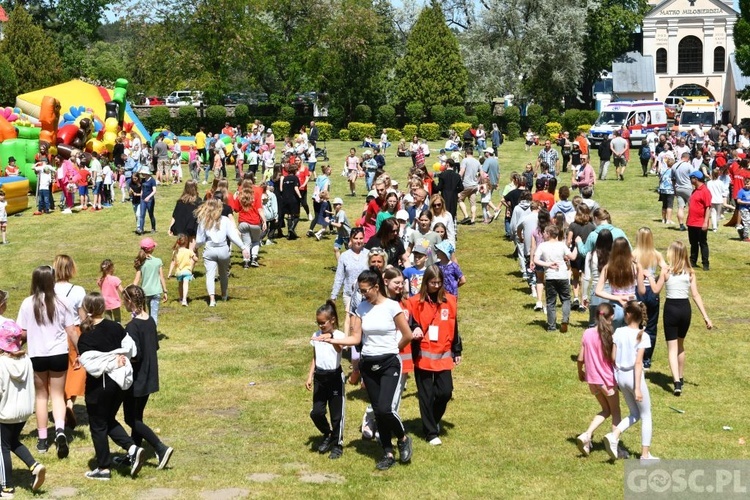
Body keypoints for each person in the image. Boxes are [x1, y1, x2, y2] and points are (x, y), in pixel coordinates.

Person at [316, 269, 414, 470]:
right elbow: (356, 338)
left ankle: (403, 438)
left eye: (365, 290)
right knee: (378, 411)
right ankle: (387, 452)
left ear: (376, 287)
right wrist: (333, 339)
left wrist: (394, 349)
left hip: (389, 364)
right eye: (360, 291)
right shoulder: (361, 308)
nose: (362, 294)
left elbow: (407, 334)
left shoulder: (392, 307)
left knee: (386, 408)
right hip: (369, 365)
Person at [77, 293, 145, 480]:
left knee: (98, 425)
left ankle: (103, 468)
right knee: (107, 419)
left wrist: (109, 361)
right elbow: (131, 349)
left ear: (87, 310)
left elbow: (91, 365)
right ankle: (132, 449)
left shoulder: (86, 336)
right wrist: (116, 357)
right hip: (119, 384)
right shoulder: (116, 327)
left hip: (101, 386)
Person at [16, 265, 78, 458]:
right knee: (58, 395)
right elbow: (71, 331)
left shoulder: (27, 303)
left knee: (41, 396)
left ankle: (42, 439)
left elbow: (22, 332)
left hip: (37, 355)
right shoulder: (63, 301)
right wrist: (80, 352)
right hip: (59, 354)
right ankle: (60, 430)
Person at [645, 241, 712, 396]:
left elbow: (655, 290)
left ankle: (676, 383)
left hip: (671, 310)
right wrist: (706, 317)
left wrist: (649, 277)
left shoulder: (666, 271)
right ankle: (680, 377)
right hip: (685, 310)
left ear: (671, 254)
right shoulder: (689, 272)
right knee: (680, 345)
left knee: (672, 348)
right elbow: (695, 295)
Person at [407, 265, 462, 446]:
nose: (436, 286)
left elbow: (454, 327)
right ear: (426, 282)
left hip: (444, 353)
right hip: (422, 354)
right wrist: (414, 328)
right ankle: (430, 432)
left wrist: (457, 350)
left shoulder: (450, 300)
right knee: (426, 394)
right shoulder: (415, 302)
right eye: (432, 282)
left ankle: (432, 419)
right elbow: (410, 323)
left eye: (439, 283)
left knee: (445, 392)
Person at [121, 285, 174, 470]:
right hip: (150, 375)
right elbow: (154, 348)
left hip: (137, 379)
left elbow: (135, 355)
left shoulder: (132, 326)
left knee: (130, 418)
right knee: (137, 416)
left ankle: (160, 447)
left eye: (123, 301)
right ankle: (133, 455)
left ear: (129, 301)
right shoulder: (150, 321)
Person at [0, 310, 47, 495]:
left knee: (1, 446)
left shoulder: (2, 364)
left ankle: (6, 486)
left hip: (5, 412)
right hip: (23, 411)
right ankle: (34, 465)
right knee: (12, 441)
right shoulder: (26, 359)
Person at [604, 301, 658, 461]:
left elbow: (613, 357)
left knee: (635, 413)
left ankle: (614, 436)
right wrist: (638, 389)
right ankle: (645, 455)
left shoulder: (619, 332)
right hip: (634, 378)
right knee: (646, 415)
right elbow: (638, 363)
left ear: (628, 315)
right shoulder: (643, 336)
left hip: (620, 376)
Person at [575, 303, 622, 458]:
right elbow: (613, 359)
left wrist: (580, 372)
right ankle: (615, 444)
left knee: (605, 410)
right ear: (612, 317)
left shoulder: (587, 333)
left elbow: (580, 358)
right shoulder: (610, 335)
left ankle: (587, 435)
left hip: (592, 380)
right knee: (615, 411)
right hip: (607, 380)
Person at [305, 300, 345, 460]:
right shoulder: (316, 335)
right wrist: (310, 375)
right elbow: (315, 356)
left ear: (332, 320)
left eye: (323, 323)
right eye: (318, 323)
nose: (320, 326)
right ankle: (327, 433)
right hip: (320, 378)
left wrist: (331, 338)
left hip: (334, 376)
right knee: (316, 412)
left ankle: (337, 444)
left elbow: (340, 349)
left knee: (337, 415)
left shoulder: (340, 335)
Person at [195, 199, 250, 306]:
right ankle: (224, 295)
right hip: (223, 250)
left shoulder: (203, 221)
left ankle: (212, 300)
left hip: (210, 249)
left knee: (210, 275)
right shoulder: (225, 220)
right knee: (223, 274)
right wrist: (243, 247)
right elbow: (233, 236)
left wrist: (195, 248)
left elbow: (199, 240)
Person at [632, 228, 666, 371]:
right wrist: (655, 279)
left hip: (638, 290)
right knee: (651, 325)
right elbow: (666, 269)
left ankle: (636, 355)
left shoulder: (634, 254)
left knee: (636, 324)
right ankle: (647, 359)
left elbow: (632, 273)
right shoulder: (656, 254)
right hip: (652, 291)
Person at [534, 225, 575, 332]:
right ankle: (565, 319)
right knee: (566, 299)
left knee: (551, 302)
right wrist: (577, 248)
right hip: (562, 275)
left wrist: (547, 264)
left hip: (550, 277)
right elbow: (572, 257)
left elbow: (536, 259)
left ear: (548, 234)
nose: (543, 234)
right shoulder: (562, 245)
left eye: (544, 232)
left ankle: (551, 326)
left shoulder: (542, 246)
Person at [595, 237, 639, 328]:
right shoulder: (635, 266)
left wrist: (617, 297)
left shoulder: (608, 268)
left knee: (614, 336)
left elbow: (598, 291)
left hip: (615, 306)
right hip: (632, 304)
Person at [132, 238, 168, 324]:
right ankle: (152, 334)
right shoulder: (158, 261)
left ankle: (147, 332)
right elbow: (161, 277)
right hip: (156, 292)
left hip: (145, 293)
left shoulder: (141, 262)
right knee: (154, 315)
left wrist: (131, 292)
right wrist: (165, 291)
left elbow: (136, 280)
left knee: (146, 314)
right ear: (151, 249)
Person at [686, 170, 712, 270]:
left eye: (691, 178)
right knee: (693, 243)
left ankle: (705, 263)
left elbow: (708, 207)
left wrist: (705, 222)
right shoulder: (695, 190)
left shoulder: (705, 191)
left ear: (696, 179)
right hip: (691, 222)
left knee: (703, 243)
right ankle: (693, 261)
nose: (690, 180)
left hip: (700, 223)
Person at [168, 180, 202, 249]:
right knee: (192, 251)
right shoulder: (198, 201)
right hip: (193, 228)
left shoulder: (180, 201)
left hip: (181, 228)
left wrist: (170, 228)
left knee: (182, 250)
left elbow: (175, 215)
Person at [168, 234, 198, 306]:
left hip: (179, 272)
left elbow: (173, 263)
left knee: (180, 285)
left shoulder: (175, 252)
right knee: (185, 284)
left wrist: (169, 273)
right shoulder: (189, 251)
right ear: (186, 242)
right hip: (187, 271)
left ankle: (181, 298)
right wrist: (193, 259)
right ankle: (184, 299)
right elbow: (196, 259)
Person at [457, 147, 481, 225]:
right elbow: (482, 173)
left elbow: (462, 171)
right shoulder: (477, 162)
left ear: (466, 153)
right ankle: (473, 219)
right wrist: (478, 181)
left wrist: (456, 179)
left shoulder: (465, 160)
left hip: (466, 184)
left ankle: (466, 216)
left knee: (459, 199)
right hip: (474, 185)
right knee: (473, 203)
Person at [97, 259, 124, 323]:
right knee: (118, 321)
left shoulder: (100, 280)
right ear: (111, 268)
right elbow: (122, 291)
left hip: (105, 303)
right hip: (115, 303)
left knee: (108, 322)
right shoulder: (115, 279)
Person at [136, 168, 157, 235]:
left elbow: (154, 191)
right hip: (143, 200)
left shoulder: (152, 180)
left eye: (143, 173)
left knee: (151, 214)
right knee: (142, 215)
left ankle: (153, 228)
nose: (142, 174)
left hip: (150, 200)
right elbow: (142, 188)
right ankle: (141, 230)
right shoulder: (143, 180)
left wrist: (148, 197)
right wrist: (141, 195)